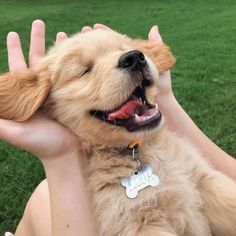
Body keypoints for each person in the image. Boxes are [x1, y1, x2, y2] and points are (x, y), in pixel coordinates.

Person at [1, 20, 235, 236]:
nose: (131, 58)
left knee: (206, 183)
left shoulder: (168, 145)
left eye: (125, 50)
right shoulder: (83, 192)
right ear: (47, 102)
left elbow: (213, 193)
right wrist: (61, 155)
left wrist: (165, 98)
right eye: (84, 71)